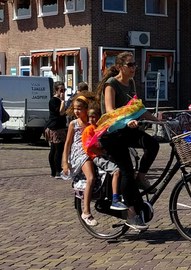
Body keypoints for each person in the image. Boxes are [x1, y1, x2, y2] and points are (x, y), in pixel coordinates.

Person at [96, 51, 159, 231]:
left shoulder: (130, 83)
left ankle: (141, 177)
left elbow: (138, 109)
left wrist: (159, 120)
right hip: (111, 135)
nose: (134, 68)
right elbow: (109, 112)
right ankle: (131, 214)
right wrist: (127, 121)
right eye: (130, 65)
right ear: (119, 67)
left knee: (152, 144)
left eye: (135, 65)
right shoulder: (111, 84)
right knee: (126, 170)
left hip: (126, 131)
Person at [62, 95, 99, 226]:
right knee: (90, 177)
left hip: (91, 150)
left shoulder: (91, 122)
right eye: (75, 109)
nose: (77, 111)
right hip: (80, 153)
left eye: (80, 109)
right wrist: (65, 162)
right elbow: (67, 143)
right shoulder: (74, 124)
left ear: (86, 109)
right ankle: (86, 211)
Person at [82, 106, 127, 211]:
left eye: (94, 117)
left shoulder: (101, 128)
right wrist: (102, 153)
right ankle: (115, 200)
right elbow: (89, 147)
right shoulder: (89, 130)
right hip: (97, 157)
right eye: (90, 117)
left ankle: (122, 193)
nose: (92, 119)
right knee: (116, 171)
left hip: (104, 154)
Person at [45, 82, 67, 178]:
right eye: (61, 90)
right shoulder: (54, 101)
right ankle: (57, 171)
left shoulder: (58, 100)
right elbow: (61, 113)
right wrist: (62, 101)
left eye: (64, 90)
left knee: (55, 149)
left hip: (59, 126)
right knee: (57, 149)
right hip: (56, 128)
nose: (63, 92)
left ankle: (54, 172)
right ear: (56, 90)